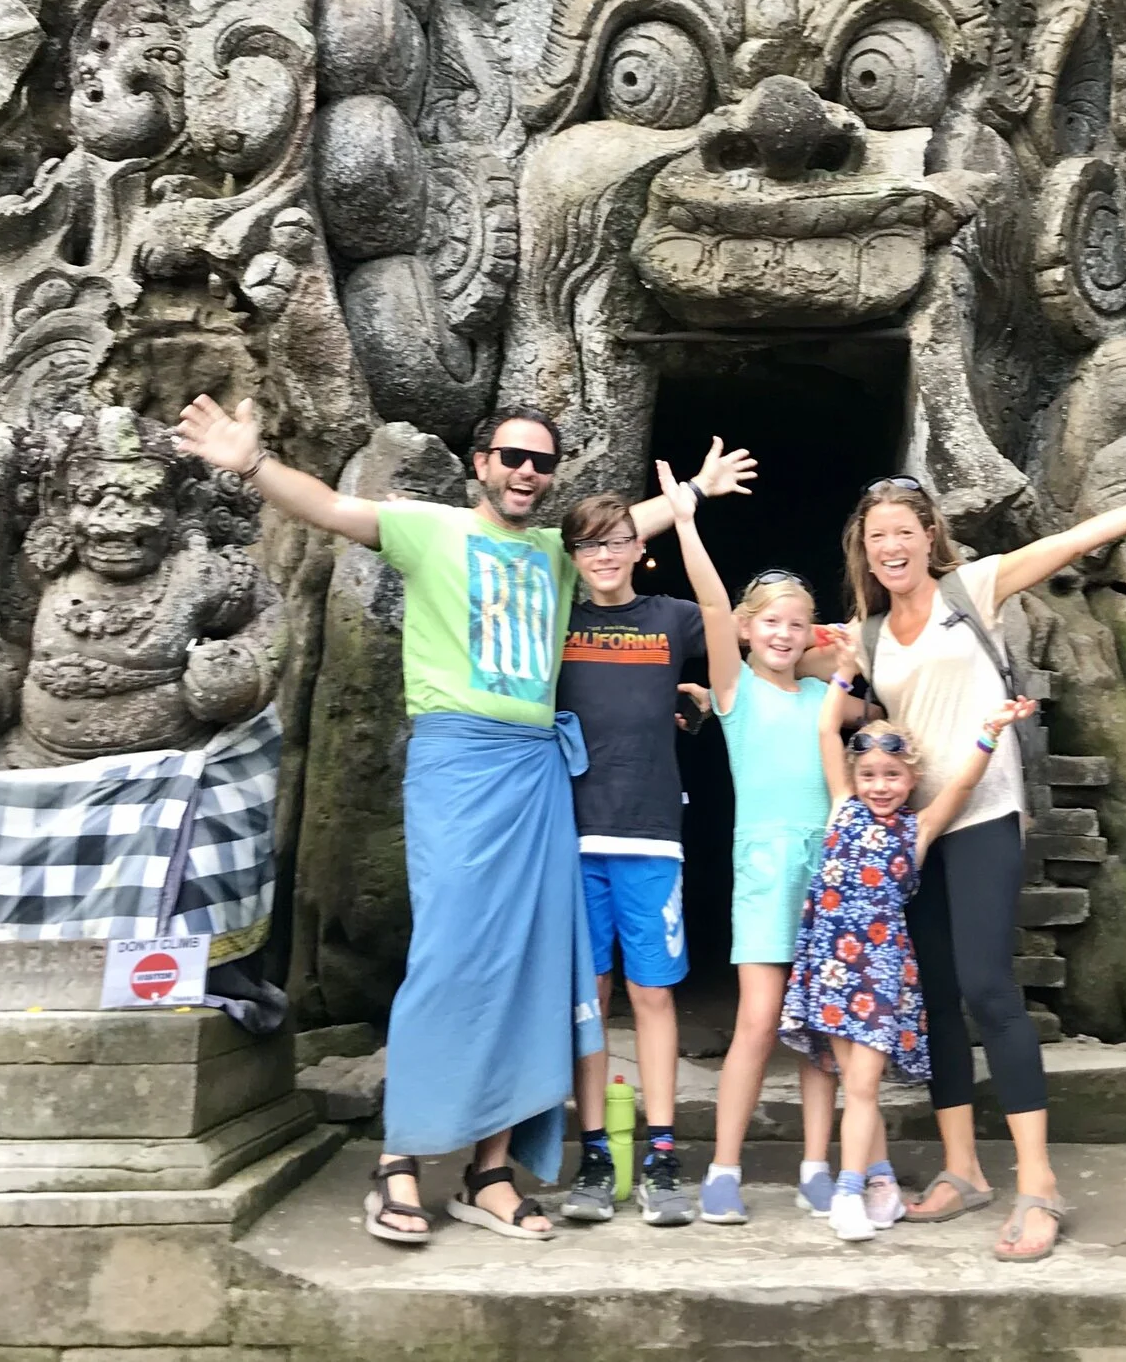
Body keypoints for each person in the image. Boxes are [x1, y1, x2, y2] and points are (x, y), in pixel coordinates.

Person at [173, 393, 754, 1247]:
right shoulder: (433, 528)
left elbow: (618, 531)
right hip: (458, 756)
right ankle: (399, 1161)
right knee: (448, 956)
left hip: (540, 769)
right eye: (512, 457)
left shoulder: (560, 554)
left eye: (541, 462)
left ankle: (490, 1169)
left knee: (531, 969)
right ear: (480, 462)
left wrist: (692, 495)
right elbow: (334, 509)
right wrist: (252, 464)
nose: (527, 472)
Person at [845, 445, 1126, 1262]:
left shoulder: (975, 587)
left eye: (902, 532)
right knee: (935, 997)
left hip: (985, 813)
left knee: (992, 989)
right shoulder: (869, 632)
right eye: (876, 536)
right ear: (866, 548)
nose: (890, 546)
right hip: (913, 833)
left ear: (928, 535)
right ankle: (963, 1170)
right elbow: (780, 656)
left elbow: (1070, 542)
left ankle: (1039, 1184)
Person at [663, 470, 867, 1226]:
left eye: (797, 624)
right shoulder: (734, 692)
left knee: (821, 1024)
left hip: (830, 866)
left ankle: (818, 1164)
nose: (782, 635)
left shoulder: (825, 700)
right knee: (759, 1017)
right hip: (764, 866)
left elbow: (887, 705)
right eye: (769, 623)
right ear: (749, 629)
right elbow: (712, 605)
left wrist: (846, 647)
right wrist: (686, 521)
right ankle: (723, 1167)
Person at [778, 658, 1037, 1243]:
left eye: (892, 775)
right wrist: (845, 673)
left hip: (875, 971)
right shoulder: (842, 806)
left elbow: (966, 784)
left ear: (911, 778)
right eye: (868, 773)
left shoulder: (915, 831)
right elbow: (826, 730)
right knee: (851, 1080)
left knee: (864, 1085)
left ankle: (849, 1193)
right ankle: (882, 1182)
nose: (879, 786)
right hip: (829, 966)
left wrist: (989, 733)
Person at [551, 473, 725, 1229]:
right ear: (574, 554)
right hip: (570, 833)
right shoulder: (555, 616)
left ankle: (661, 1154)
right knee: (591, 1001)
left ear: (638, 546)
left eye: (621, 539)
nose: (608, 554)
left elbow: (724, 620)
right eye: (591, 543)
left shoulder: (670, 618)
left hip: (652, 835)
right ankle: (594, 1153)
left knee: (654, 994)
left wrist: (686, 517)